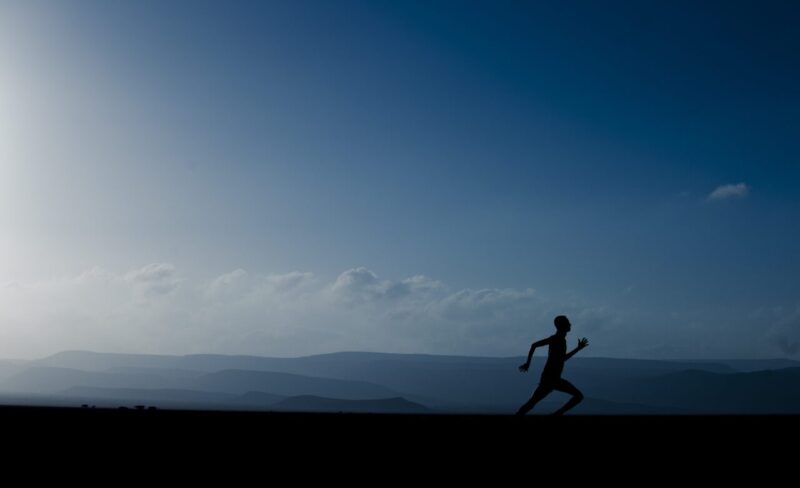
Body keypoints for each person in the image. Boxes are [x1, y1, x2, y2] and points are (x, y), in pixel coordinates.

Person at [516, 315, 588, 415]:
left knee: (531, 403)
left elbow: (561, 359)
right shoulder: (556, 339)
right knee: (578, 396)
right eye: (567, 322)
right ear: (562, 326)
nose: (570, 324)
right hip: (550, 379)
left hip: (553, 378)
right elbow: (534, 345)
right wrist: (528, 363)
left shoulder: (561, 340)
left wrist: (578, 349)